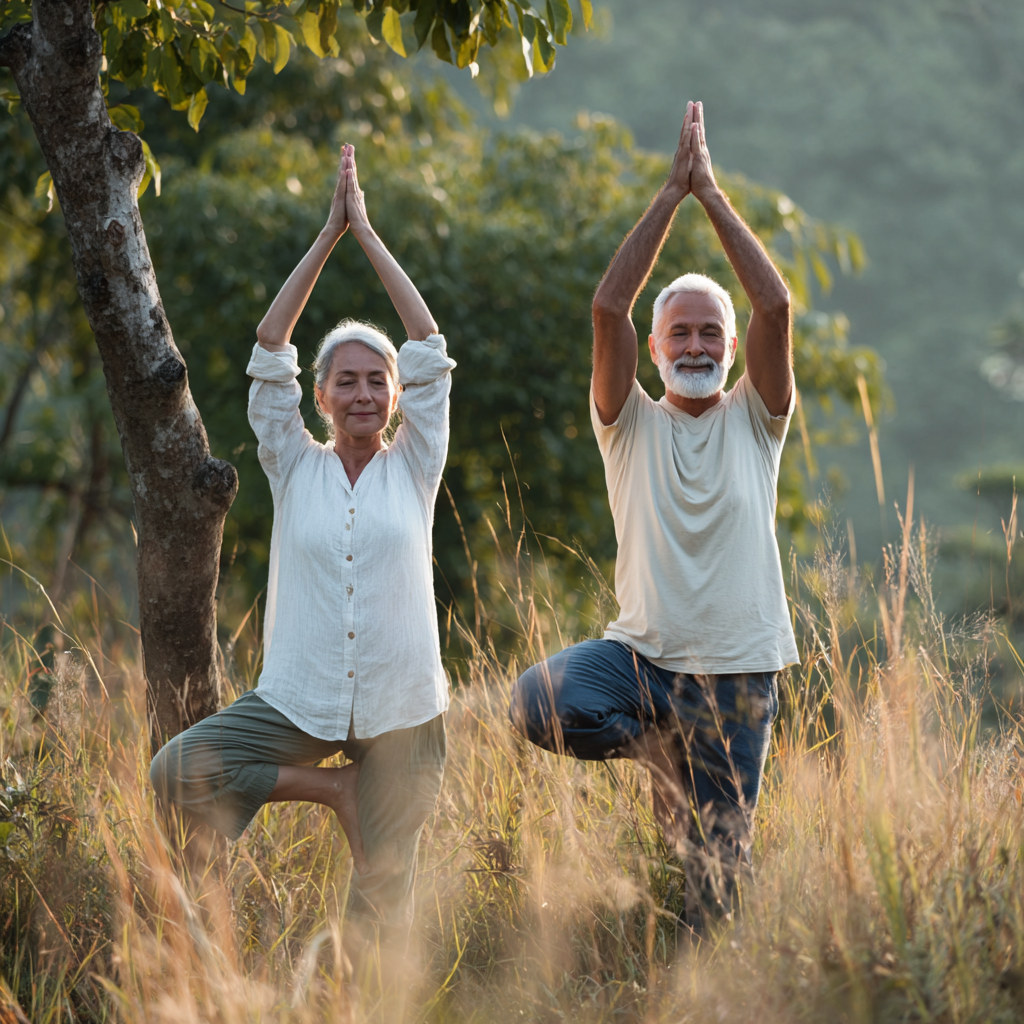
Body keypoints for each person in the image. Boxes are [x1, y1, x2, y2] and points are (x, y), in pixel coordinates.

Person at [150, 143, 453, 943]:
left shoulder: (416, 464)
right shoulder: (292, 464)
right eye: (346, 381)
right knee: (175, 770)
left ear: (395, 399)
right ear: (319, 398)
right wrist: (326, 239)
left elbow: (428, 346)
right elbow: (269, 351)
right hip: (301, 701)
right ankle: (335, 791)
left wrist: (369, 236)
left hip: (403, 713)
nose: (363, 392)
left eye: (376, 381)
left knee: (379, 920)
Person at [510, 101, 799, 933]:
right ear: (656, 344)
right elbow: (606, 309)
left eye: (713, 332)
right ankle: (659, 748)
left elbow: (776, 309)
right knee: (540, 702)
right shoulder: (626, 421)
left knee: (713, 886)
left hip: (741, 675)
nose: (698, 345)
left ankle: (698, 993)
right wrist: (671, 195)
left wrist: (713, 195)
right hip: (642, 659)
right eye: (681, 332)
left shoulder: (759, 417)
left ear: (733, 349)